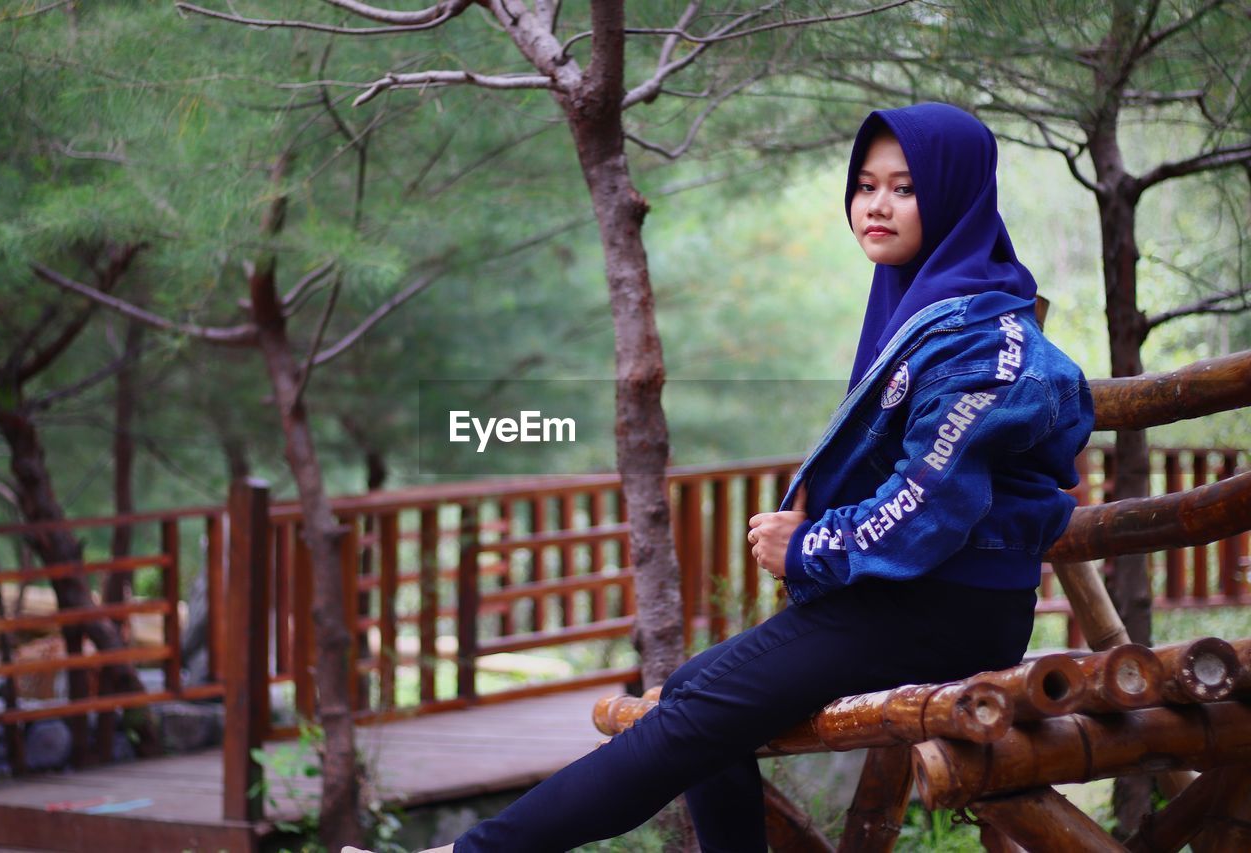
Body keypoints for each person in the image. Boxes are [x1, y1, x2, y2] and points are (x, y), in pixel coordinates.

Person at [360, 102, 1095, 853]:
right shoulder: (926, 304)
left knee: (695, 710)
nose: (876, 205)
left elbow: (929, 504)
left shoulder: (983, 341)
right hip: (904, 598)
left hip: (946, 607)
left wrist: (809, 545)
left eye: (904, 188)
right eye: (865, 184)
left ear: (955, 197)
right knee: (686, 695)